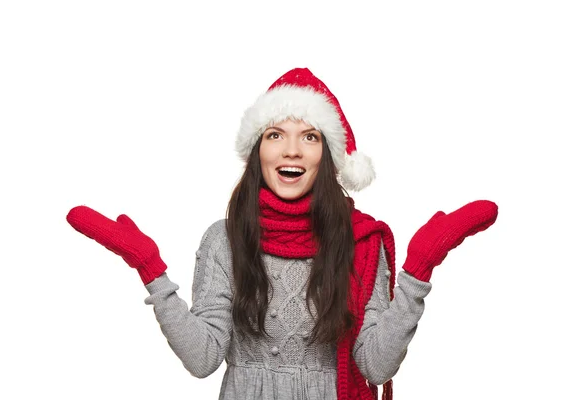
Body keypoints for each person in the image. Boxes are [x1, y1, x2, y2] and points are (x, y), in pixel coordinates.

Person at [66, 68, 498, 400]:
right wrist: (151, 271)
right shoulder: (224, 240)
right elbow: (202, 359)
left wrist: (417, 273)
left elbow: (376, 365)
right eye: (276, 134)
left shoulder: (361, 244)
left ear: (328, 157)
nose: (291, 149)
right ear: (258, 152)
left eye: (309, 136)